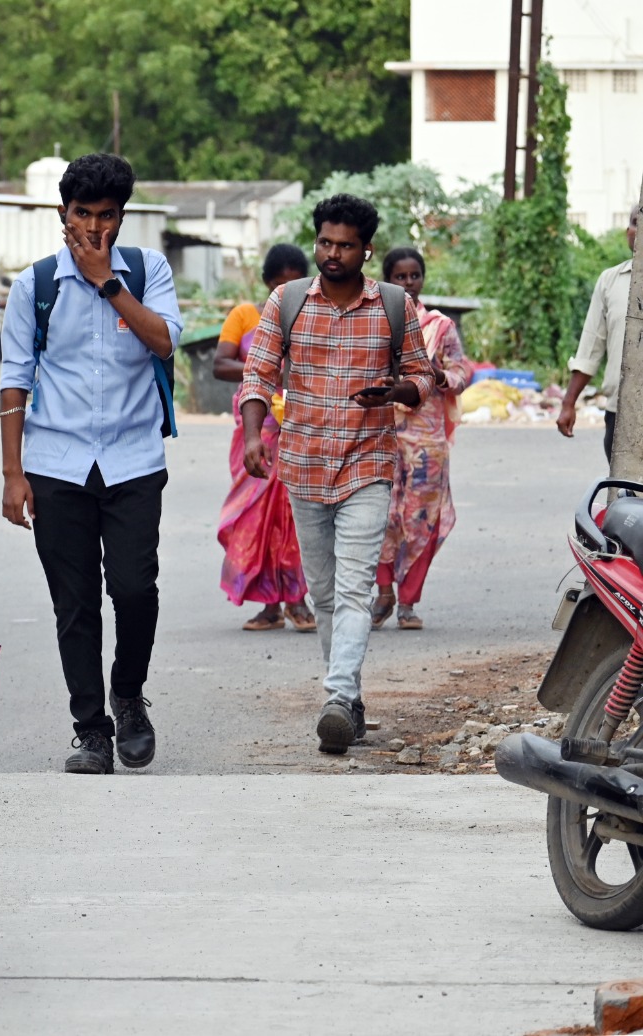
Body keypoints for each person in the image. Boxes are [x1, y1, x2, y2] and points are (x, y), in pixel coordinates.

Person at [0, 153, 183, 776]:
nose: (94, 229)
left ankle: (128, 696)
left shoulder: (148, 271)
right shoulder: (35, 285)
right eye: (83, 214)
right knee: (73, 603)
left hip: (132, 460)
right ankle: (91, 730)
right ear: (63, 214)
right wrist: (12, 473)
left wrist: (108, 282)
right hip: (56, 463)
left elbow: (163, 339)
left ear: (121, 219)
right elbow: (15, 381)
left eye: (107, 216)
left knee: (134, 590)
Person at [238, 194, 433, 754]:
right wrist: (254, 435)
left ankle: (338, 695)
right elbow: (258, 376)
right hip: (302, 466)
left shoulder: (394, 304)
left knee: (353, 588)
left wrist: (394, 390)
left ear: (366, 249)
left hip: (367, 464)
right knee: (323, 592)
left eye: (345, 245)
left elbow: (422, 376)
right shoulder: (288, 301)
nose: (332, 253)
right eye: (325, 242)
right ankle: (346, 697)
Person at [213, 244, 315, 633]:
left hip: (301, 426)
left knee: (294, 517)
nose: (285, 294)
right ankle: (270, 606)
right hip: (256, 428)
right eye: (279, 285)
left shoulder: (311, 316)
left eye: (294, 286)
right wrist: (264, 369)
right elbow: (220, 364)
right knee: (255, 516)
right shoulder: (244, 316)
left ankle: (297, 600)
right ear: (267, 283)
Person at [373, 246, 469, 631]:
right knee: (380, 514)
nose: (408, 283)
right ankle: (383, 593)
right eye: (400, 277)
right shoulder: (377, 321)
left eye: (414, 275)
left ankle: (409, 600)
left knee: (421, 517)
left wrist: (440, 376)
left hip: (427, 441)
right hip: (380, 432)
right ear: (387, 280)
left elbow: (463, 370)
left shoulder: (440, 326)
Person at [560, 205, 640, 459]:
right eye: (633, 223)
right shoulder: (610, 280)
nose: (634, 230)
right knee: (624, 496)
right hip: (621, 415)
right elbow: (590, 347)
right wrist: (568, 403)